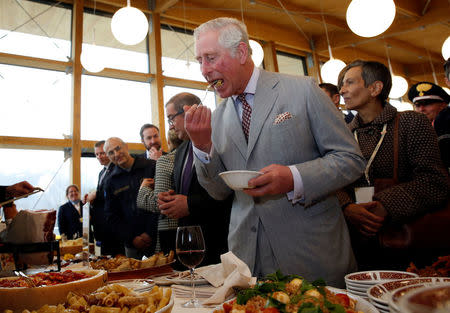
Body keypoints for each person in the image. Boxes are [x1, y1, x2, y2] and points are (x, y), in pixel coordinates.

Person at [184, 17, 366, 286]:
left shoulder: (302, 89)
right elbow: (218, 191)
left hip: (310, 254)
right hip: (246, 261)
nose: (204, 70)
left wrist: (293, 178)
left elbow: (350, 159)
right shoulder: (218, 116)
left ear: (242, 52)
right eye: (200, 60)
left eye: (210, 58)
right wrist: (201, 146)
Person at [337, 60, 449, 270]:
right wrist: (347, 207)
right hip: (355, 244)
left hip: (407, 245)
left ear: (375, 88)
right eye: (342, 84)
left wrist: (386, 205)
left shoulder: (410, 122)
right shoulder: (342, 133)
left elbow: (435, 181)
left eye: (349, 83)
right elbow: (331, 181)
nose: (342, 90)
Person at [157, 92, 232, 266]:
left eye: (171, 119)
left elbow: (231, 193)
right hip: (189, 247)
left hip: (218, 245)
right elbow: (186, 191)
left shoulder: (221, 142)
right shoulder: (182, 150)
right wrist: (170, 199)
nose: (170, 127)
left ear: (188, 111)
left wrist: (190, 204)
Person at [104, 137, 158, 259]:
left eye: (118, 148)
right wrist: (132, 238)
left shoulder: (151, 166)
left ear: (126, 146)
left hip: (157, 238)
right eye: (111, 152)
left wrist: (150, 233)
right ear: (108, 157)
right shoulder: (110, 181)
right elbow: (111, 216)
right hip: (132, 245)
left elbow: (161, 200)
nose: (116, 154)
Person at [137, 129, 183, 254]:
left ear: (166, 140)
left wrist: (143, 189)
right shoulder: (137, 162)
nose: (153, 141)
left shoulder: (166, 159)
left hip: (170, 227)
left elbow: (160, 201)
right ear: (142, 141)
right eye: (148, 138)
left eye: (155, 136)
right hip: (143, 231)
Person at [84, 140, 123, 256]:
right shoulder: (102, 173)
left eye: (101, 153)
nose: (99, 157)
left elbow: (114, 193)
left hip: (113, 226)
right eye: (96, 154)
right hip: (101, 227)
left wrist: (96, 194)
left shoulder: (117, 169)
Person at [408, 82, 450, 168]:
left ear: (443, 105)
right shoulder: (417, 130)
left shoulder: (446, 122)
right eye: (417, 105)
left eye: (427, 104)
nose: (421, 109)